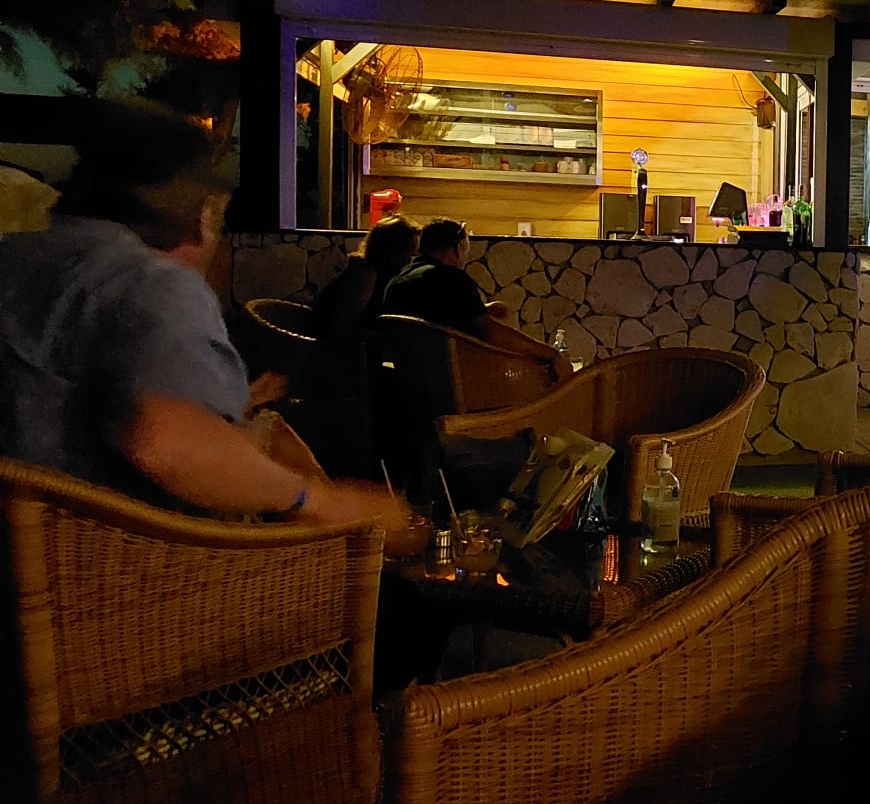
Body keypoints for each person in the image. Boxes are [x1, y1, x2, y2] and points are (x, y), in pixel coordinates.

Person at [0, 100, 397, 525]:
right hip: (119, 548)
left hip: (22, 539)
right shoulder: (151, 281)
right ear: (200, 214)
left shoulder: (15, 256)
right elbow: (163, 439)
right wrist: (316, 500)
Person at [383, 217, 570, 373]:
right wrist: (552, 354)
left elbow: (434, 317)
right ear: (457, 248)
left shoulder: (398, 280)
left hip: (410, 384)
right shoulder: (450, 278)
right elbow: (491, 333)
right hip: (455, 385)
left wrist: (482, 309)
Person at [312, 213, 420, 342]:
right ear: (393, 250)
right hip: (334, 349)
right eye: (411, 250)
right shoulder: (364, 274)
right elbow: (344, 328)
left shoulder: (380, 274)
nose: (414, 256)